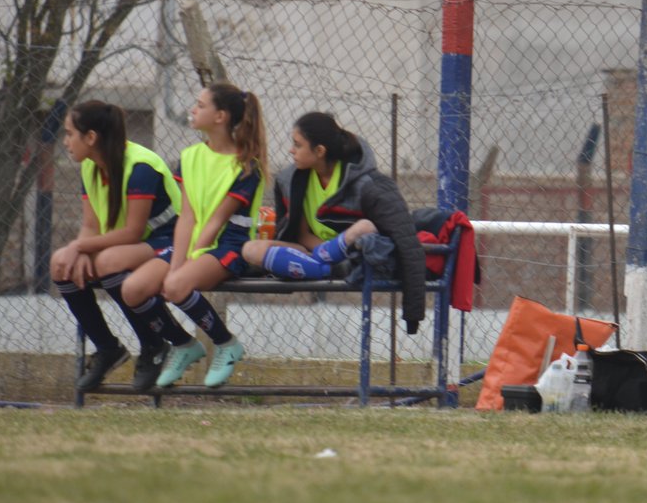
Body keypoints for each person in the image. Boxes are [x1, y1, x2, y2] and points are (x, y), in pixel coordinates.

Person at [122, 83, 267, 387]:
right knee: (133, 289)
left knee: (174, 286)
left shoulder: (245, 165)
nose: (193, 109)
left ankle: (226, 344)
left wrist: (184, 266)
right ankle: (184, 345)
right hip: (192, 244)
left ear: (221, 117)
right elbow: (187, 217)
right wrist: (177, 261)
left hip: (228, 245)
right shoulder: (189, 157)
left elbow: (216, 221)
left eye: (200, 105)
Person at [240, 112, 425, 334]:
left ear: (319, 151)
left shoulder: (371, 185)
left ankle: (316, 267)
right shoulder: (288, 181)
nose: (291, 150)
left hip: (356, 259)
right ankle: (324, 267)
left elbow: (408, 243)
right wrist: (323, 252)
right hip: (315, 254)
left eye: (297, 145)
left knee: (363, 228)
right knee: (251, 250)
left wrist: (413, 312)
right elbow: (297, 234)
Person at [50, 100, 191, 392]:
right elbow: (91, 225)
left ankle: (154, 345)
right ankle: (108, 349)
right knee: (61, 265)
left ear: (91, 138)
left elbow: (132, 231)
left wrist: (82, 247)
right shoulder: (90, 166)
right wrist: (81, 249)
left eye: (69, 134)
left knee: (108, 261)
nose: (65, 141)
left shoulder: (140, 166)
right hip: (134, 244)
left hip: (171, 242)